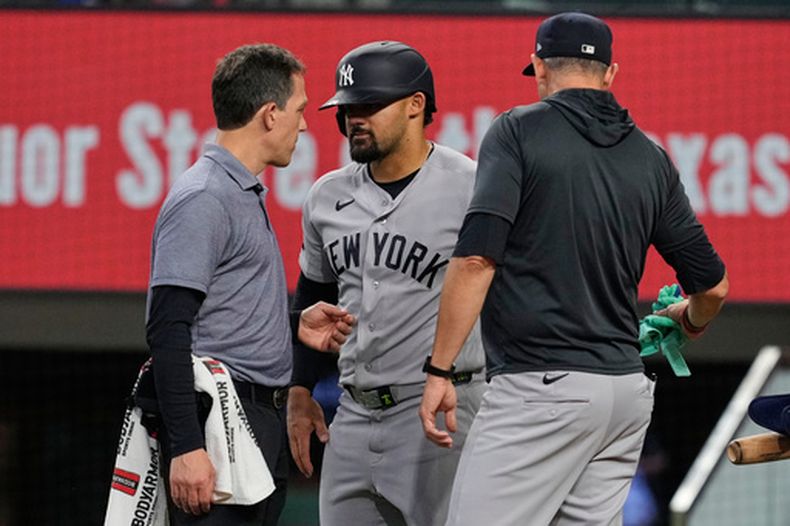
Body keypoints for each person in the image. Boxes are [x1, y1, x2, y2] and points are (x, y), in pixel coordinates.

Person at [419, 12, 729, 526]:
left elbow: (476, 259)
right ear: (610, 74)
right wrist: (690, 320)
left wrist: (439, 370)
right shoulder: (651, 156)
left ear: (540, 67)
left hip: (541, 387)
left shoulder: (517, 130)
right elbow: (713, 287)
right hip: (623, 395)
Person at [146, 43, 353, 525]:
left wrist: (293, 323)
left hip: (254, 422)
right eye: (299, 110)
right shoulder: (204, 197)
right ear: (270, 114)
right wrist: (187, 447)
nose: (305, 126)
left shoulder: (236, 190)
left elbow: (220, 311)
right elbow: (167, 329)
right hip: (218, 426)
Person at [286, 41, 486, 526]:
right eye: (347, 108)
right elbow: (315, 294)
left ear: (416, 105)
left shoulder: (472, 186)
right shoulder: (327, 195)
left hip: (442, 410)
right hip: (352, 416)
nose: (354, 118)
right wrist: (300, 387)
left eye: (370, 106)